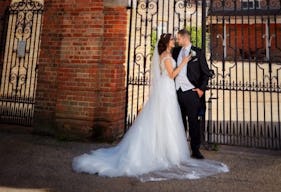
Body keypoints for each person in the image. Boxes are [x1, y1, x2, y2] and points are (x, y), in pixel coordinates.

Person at [72, 33, 228, 181]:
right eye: (172, 40)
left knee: (168, 120)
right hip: (167, 90)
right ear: (167, 43)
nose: (174, 42)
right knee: (166, 118)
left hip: (170, 90)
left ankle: (176, 149)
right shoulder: (167, 56)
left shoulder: (170, 54)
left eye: (176, 39)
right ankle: (164, 152)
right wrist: (183, 63)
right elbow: (172, 75)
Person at [173, 28, 211, 159]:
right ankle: (181, 150)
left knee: (194, 122)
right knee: (180, 122)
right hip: (178, 92)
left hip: (192, 92)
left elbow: (206, 73)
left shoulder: (198, 52)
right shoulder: (175, 51)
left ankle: (195, 150)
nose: (177, 41)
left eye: (178, 38)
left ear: (185, 38)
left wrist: (201, 89)